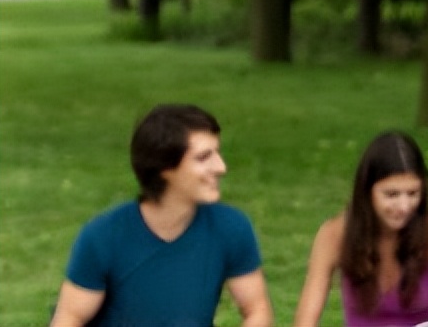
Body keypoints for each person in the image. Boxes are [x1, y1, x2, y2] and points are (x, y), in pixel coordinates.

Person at [49, 103, 272, 327]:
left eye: (217, 153)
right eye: (204, 157)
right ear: (165, 167)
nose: (221, 167)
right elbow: (69, 318)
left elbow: (256, 310)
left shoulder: (230, 228)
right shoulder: (104, 237)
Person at [294, 130, 428, 327]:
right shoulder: (335, 235)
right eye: (392, 194)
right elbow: (305, 320)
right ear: (367, 192)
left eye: (413, 193)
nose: (404, 206)